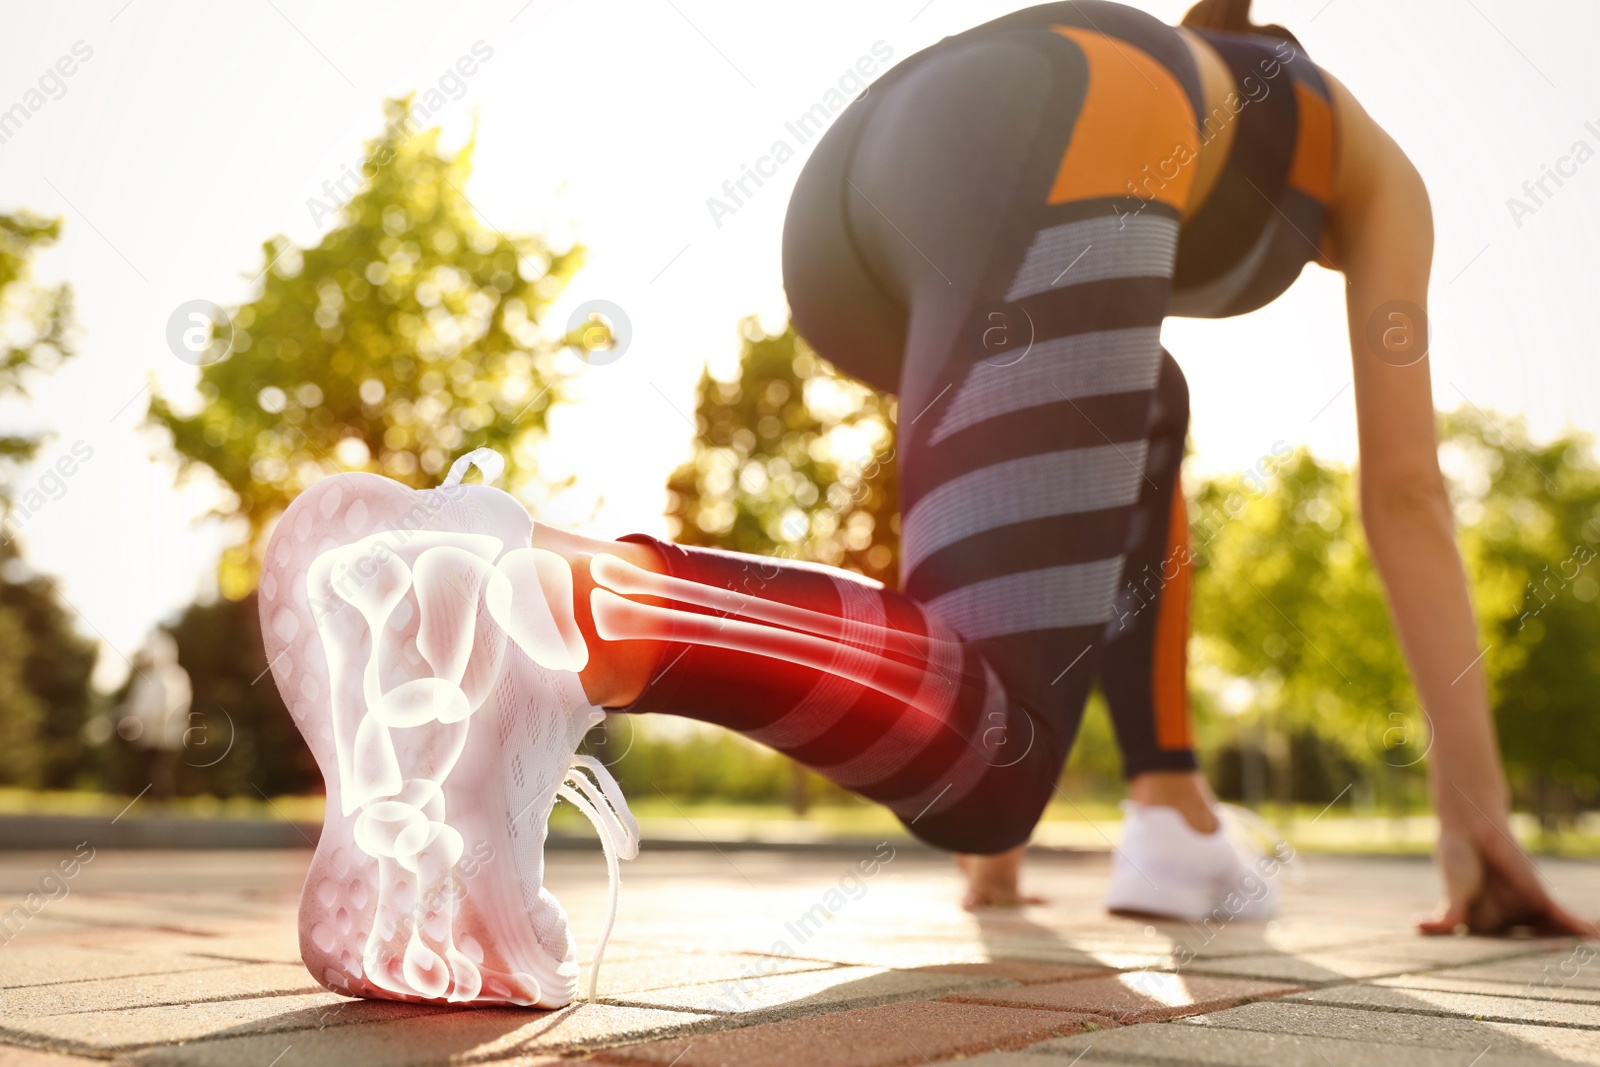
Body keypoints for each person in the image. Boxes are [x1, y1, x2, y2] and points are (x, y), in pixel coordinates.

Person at [264, 0, 1595, 1010]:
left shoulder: (1194, 76)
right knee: (997, 758)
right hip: (1055, 134)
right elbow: (1410, 492)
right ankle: (561, 608)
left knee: (1146, 403)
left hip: (865, 198)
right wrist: (1475, 817)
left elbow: (1084, 455)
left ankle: (1167, 808)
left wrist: (1019, 877)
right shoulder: (1374, 167)